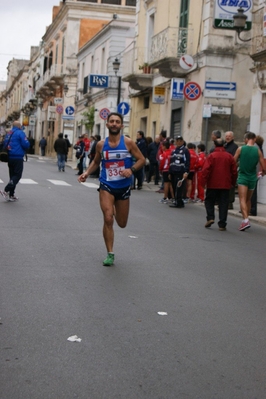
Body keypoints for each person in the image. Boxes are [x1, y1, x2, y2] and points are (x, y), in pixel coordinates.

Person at [78, 112, 145, 267]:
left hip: (123, 186)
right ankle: (110, 253)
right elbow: (96, 162)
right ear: (107, 124)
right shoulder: (101, 144)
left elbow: (142, 159)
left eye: (117, 122)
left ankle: (115, 207)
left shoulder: (128, 143)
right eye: (112, 121)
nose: (114, 124)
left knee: (121, 223)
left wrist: (131, 170)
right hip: (106, 184)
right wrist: (86, 172)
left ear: (121, 125)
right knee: (108, 218)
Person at [201, 138, 238, 231]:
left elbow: (205, 170)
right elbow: (234, 171)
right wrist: (233, 182)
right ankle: (222, 223)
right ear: (224, 145)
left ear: (214, 144)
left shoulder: (211, 156)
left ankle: (210, 217)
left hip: (212, 183)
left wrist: (203, 182)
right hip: (225, 184)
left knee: (209, 201)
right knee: (223, 203)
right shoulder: (229, 156)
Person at [234, 132, 266, 231]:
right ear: (254, 139)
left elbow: (233, 162)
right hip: (253, 178)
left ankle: (246, 220)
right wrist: (262, 174)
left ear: (246, 139)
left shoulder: (241, 149)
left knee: (242, 199)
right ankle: (245, 220)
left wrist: (235, 169)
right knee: (248, 200)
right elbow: (264, 167)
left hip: (243, 177)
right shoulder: (258, 151)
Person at [0, 121, 30, 202]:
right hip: (17, 157)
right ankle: (6, 191)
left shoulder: (9, 133)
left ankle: (11, 194)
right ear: (19, 126)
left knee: (12, 176)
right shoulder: (20, 133)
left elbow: (5, 143)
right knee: (17, 175)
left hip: (9, 157)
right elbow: (26, 144)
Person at [168, 135, 190, 208]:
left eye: (180, 141)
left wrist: (186, 172)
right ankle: (177, 201)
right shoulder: (173, 151)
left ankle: (179, 202)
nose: (179, 142)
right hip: (173, 172)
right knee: (174, 187)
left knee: (179, 187)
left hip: (180, 172)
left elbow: (187, 162)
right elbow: (171, 162)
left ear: (183, 142)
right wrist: (170, 172)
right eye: (177, 140)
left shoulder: (185, 151)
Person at [250, 135, 264, 216]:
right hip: (257, 172)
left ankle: (252, 209)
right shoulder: (260, 149)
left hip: (254, 172)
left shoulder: (256, 149)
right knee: (253, 191)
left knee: (252, 192)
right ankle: (252, 209)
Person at [224, 131, 238, 209]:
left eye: (229, 136)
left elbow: (234, 159)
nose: (227, 137)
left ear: (232, 137)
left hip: (230, 169)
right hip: (223, 169)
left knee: (231, 186)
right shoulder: (224, 146)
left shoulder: (235, 147)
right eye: (226, 136)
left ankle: (229, 202)